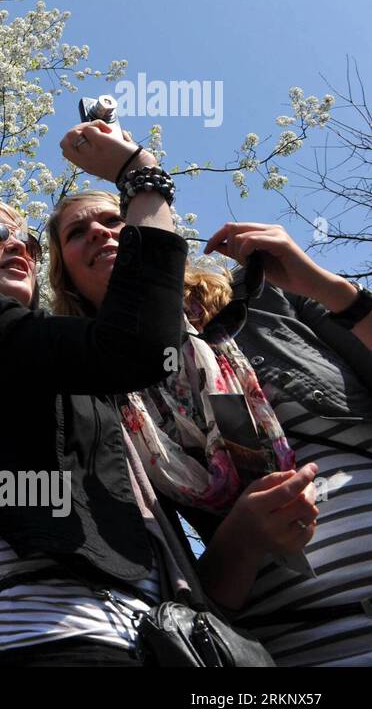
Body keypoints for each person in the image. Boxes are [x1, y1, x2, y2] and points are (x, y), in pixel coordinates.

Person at [0, 117, 193, 665]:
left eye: (27, 240)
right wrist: (141, 177)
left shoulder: (24, 359)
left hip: (125, 624)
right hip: (47, 628)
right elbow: (132, 349)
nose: (16, 245)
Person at [48, 191, 372, 665]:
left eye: (116, 219)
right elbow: (184, 594)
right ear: (69, 278)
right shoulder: (92, 402)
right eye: (77, 233)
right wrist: (240, 539)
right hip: (299, 645)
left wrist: (328, 288)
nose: (99, 231)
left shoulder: (263, 299)